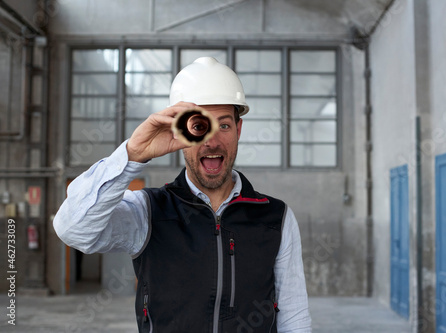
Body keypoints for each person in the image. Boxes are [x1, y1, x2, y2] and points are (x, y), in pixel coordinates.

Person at [54, 57, 312, 332]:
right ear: (179, 132)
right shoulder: (147, 211)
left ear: (238, 130)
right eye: (200, 127)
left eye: (224, 125)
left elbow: (293, 314)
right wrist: (132, 155)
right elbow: (73, 229)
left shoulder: (276, 216)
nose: (212, 141)